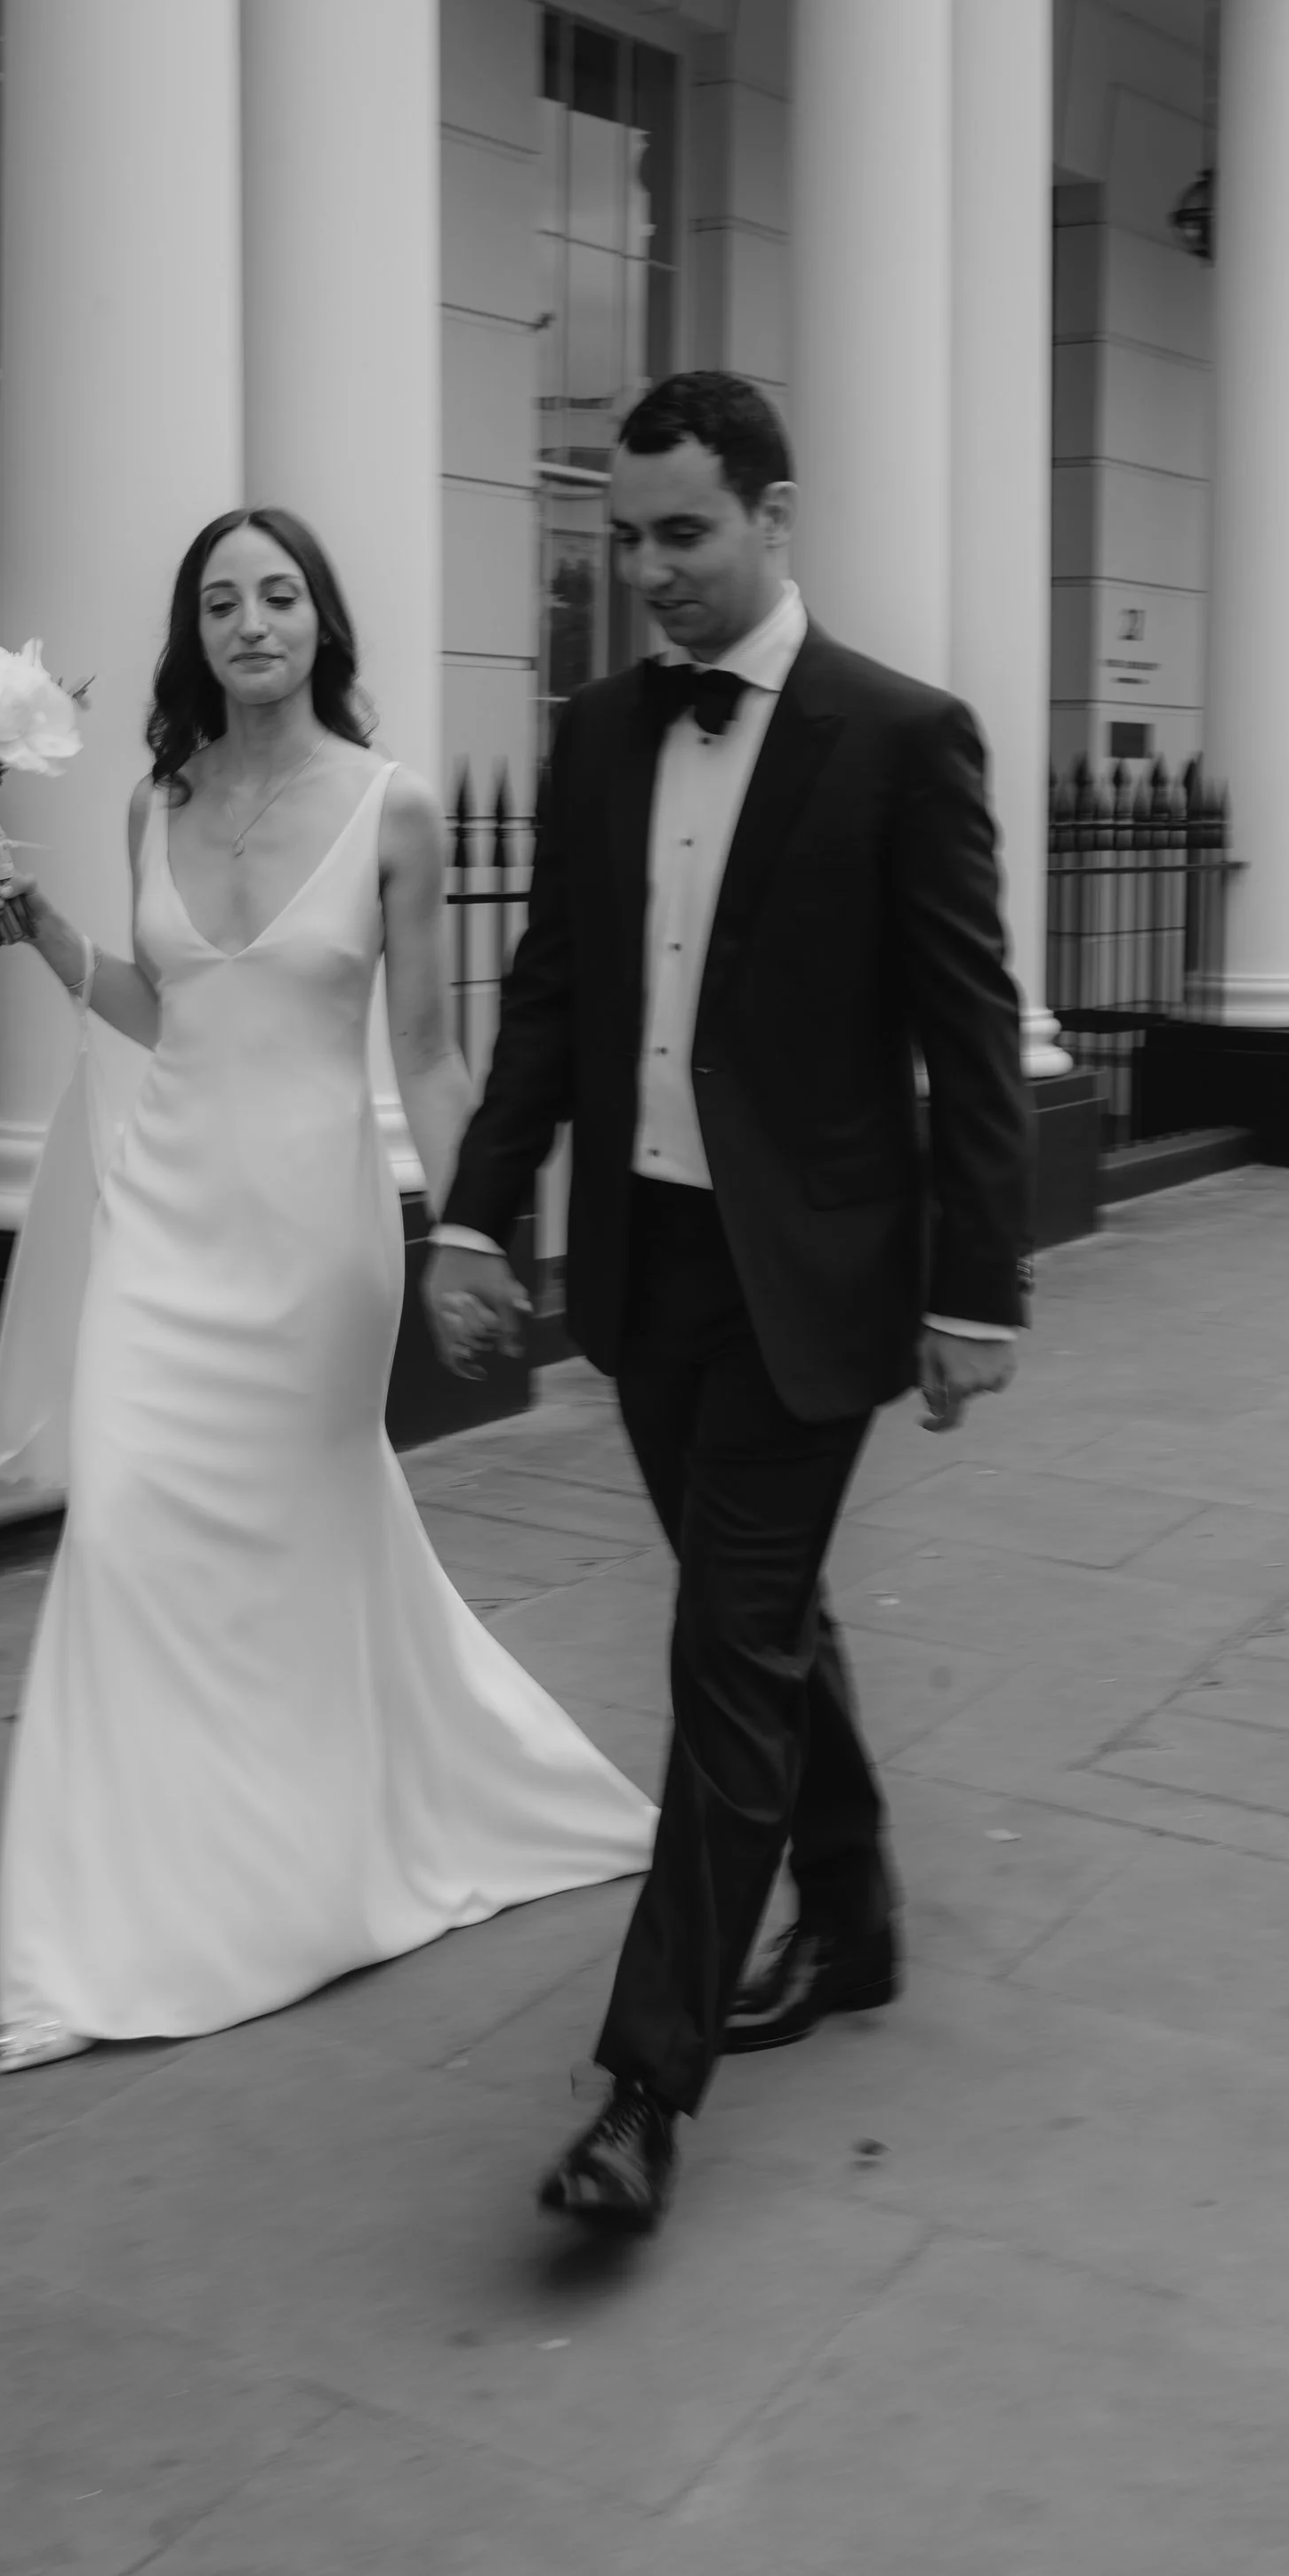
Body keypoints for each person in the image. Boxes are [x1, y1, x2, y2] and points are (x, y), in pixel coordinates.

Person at [425, 372, 1034, 2235]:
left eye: (681, 532)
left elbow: (965, 1032)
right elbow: (545, 1002)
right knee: (752, 1619)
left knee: (724, 1651)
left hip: (814, 1274)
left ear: (774, 518)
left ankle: (640, 2088)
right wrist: (469, 1224)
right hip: (641, 1264)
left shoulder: (898, 737)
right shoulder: (600, 732)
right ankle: (846, 1916)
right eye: (625, 540)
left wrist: (973, 1289)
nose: (648, 574)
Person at [0, 507, 654, 2072]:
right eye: (221, 600)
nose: (251, 621)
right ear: (192, 632)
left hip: (311, 1240)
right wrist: (46, 931)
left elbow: (422, 1046)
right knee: (126, 1527)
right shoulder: (160, 799)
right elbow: (167, 1006)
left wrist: (480, 1229)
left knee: (297, 1545)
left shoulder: (390, 809)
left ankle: (304, 1859)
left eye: (278, 595)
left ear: (321, 623)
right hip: (166, 1223)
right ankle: (117, 1918)